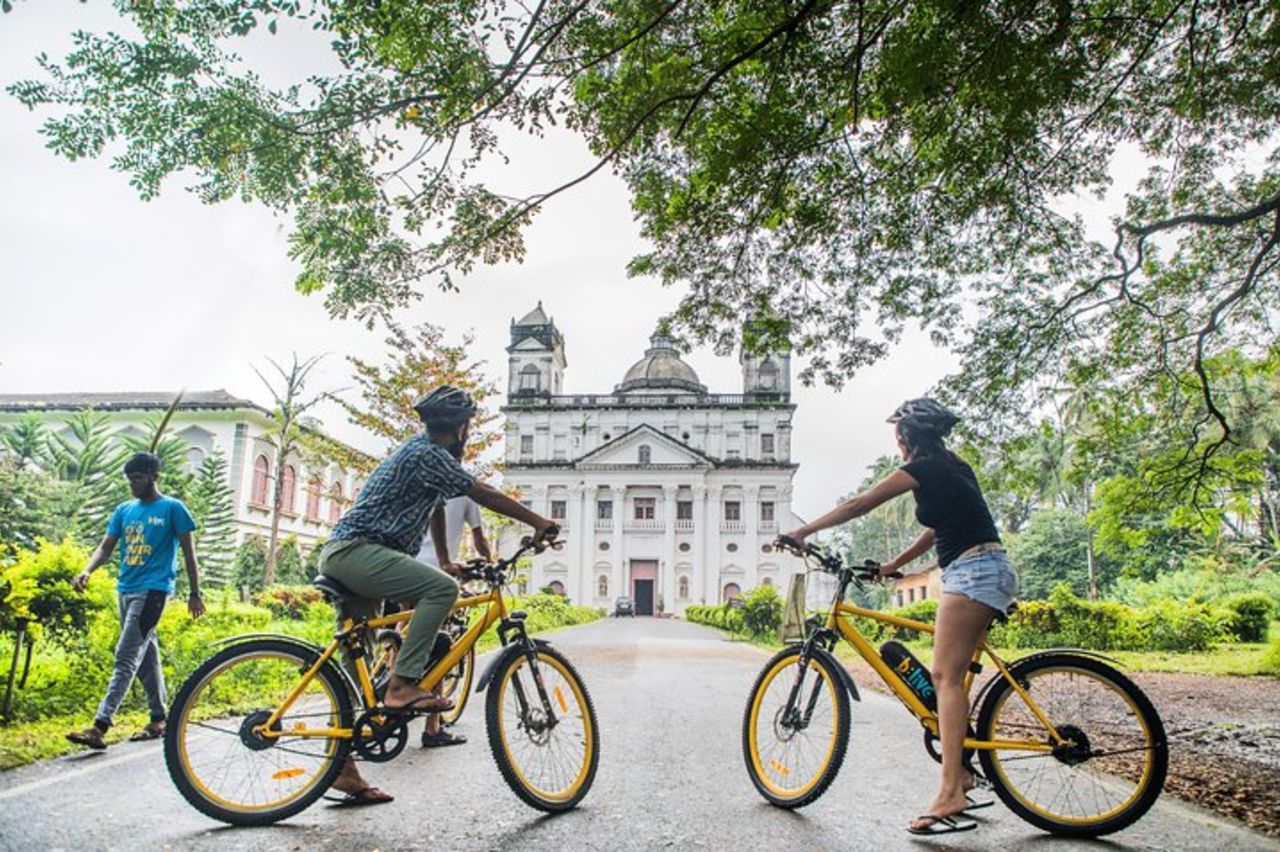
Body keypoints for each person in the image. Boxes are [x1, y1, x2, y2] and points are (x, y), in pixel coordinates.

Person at [780, 398, 1017, 837]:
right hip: (991, 568)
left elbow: (858, 505)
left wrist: (803, 531)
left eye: (898, 436)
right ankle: (963, 773)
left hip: (972, 573)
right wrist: (893, 565)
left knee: (945, 678)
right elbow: (938, 528)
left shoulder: (925, 468)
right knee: (954, 676)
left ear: (904, 438)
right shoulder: (955, 467)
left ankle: (949, 794)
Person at [317, 385, 558, 805]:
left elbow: (434, 507)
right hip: (357, 553)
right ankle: (403, 684)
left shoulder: (425, 456)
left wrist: (447, 559)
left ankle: (342, 767)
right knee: (441, 591)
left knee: (357, 671)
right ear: (463, 427)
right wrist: (539, 521)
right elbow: (482, 492)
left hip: (356, 554)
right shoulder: (427, 454)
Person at [67, 452, 205, 750]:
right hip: (125, 589)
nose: (133, 484)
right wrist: (87, 570)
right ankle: (159, 718)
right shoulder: (124, 510)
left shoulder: (173, 509)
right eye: (129, 479)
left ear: (154, 476)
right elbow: (106, 547)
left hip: (153, 591)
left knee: (126, 655)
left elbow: (189, 554)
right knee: (146, 655)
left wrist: (195, 592)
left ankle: (100, 725)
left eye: (138, 478)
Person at [415, 495, 491, 748]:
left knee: (403, 628)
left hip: (407, 564)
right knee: (441, 645)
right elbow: (478, 538)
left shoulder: (426, 484)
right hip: (438, 572)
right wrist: (490, 563)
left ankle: (392, 673)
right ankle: (432, 727)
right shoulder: (468, 493)